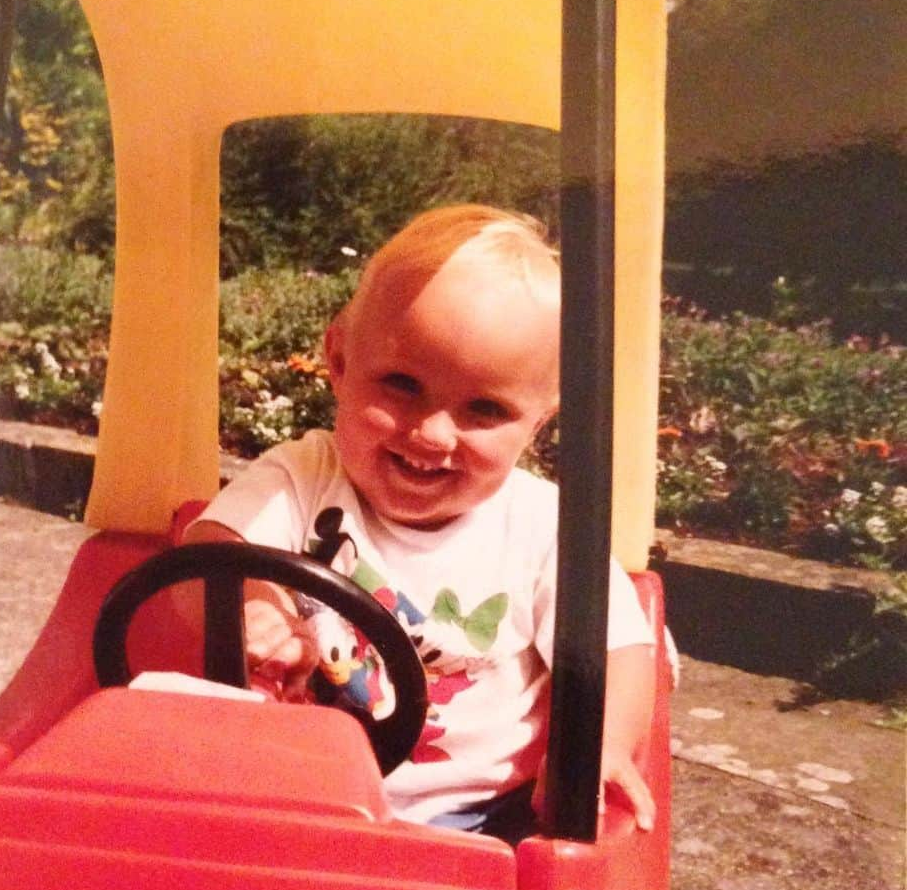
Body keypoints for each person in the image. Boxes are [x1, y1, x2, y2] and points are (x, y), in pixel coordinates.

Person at [177, 203, 656, 841]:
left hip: (479, 822)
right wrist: (251, 606)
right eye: (402, 384)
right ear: (340, 362)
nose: (431, 434)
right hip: (287, 789)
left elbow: (617, 650)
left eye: (484, 409)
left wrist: (598, 747)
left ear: (538, 420)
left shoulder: (544, 529)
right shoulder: (303, 474)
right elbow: (210, 551)